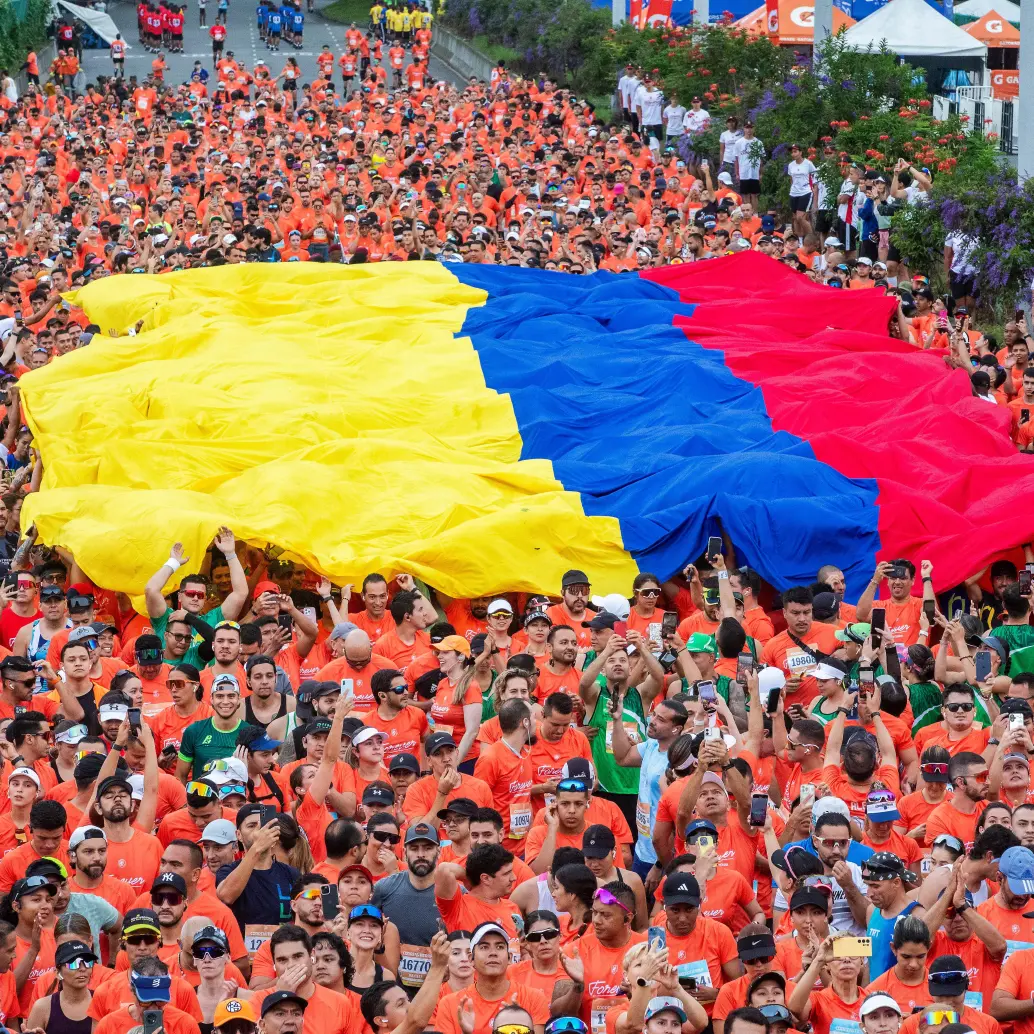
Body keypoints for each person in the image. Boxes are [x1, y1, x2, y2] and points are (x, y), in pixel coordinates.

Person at [432, 921, 550, 1034]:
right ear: (471, 959)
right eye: (484, 947)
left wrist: (521, 1024)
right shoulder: (450, 1005)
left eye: (500, 947)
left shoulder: (534, 999)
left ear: (509, 957)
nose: (493, 952)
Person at [371, 822, 440, 996]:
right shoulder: (383, 889)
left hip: (438, 992)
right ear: (404, 852)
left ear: (438, 852)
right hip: (393, 993)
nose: (421, 854)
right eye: (414, 848)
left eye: (428, 848)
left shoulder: (452, 893)